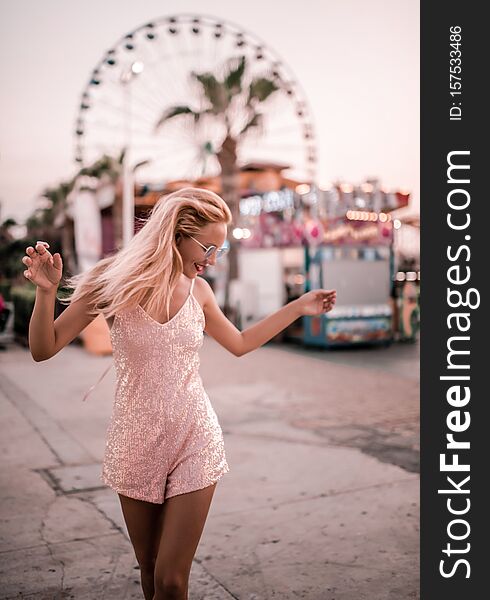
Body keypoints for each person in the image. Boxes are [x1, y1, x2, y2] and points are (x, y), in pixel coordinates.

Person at [22, 187, 336, 600]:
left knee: (171, 579)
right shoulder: (110, 283)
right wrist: (46, 294)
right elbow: (44, 349)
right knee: (150, 569)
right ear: (175, 235)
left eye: (219, 251)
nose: (211, 260)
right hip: (134, 441)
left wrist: (298, 307)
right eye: (208, 247)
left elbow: (240, 343)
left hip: (195, 437)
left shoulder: (200, 293)